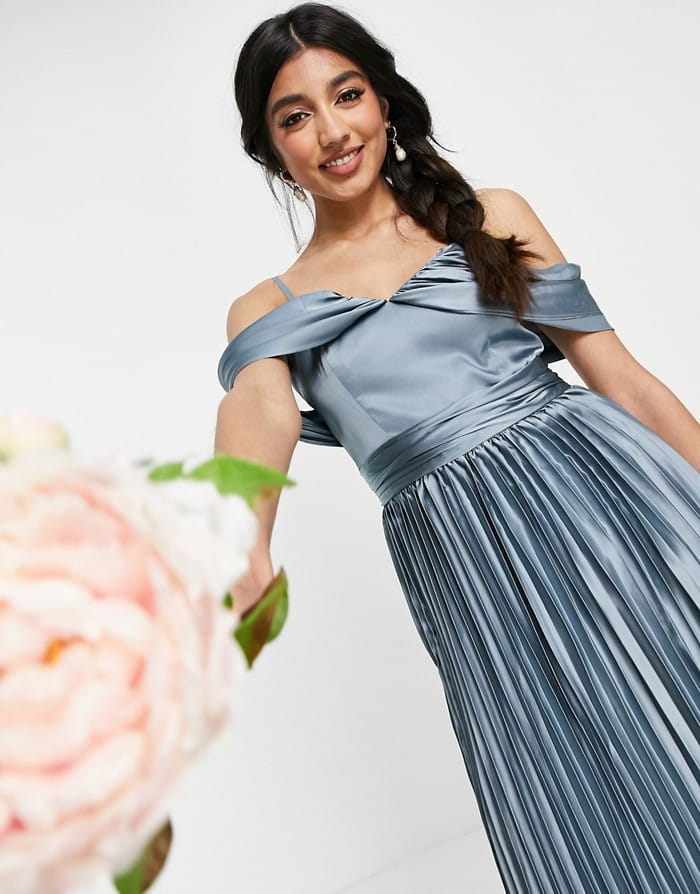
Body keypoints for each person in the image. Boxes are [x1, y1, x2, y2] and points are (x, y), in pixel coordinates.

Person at [214, 3, 700, 891]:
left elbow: (622, 381)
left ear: (383, 101)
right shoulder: (269, 309)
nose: (332, 131)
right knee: (573, 775)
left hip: (608, 503)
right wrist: (248, 534)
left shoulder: (489, 215)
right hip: (471, 562)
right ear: (269, 148)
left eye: (347, 95)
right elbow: (260, 409)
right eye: (296, 116)